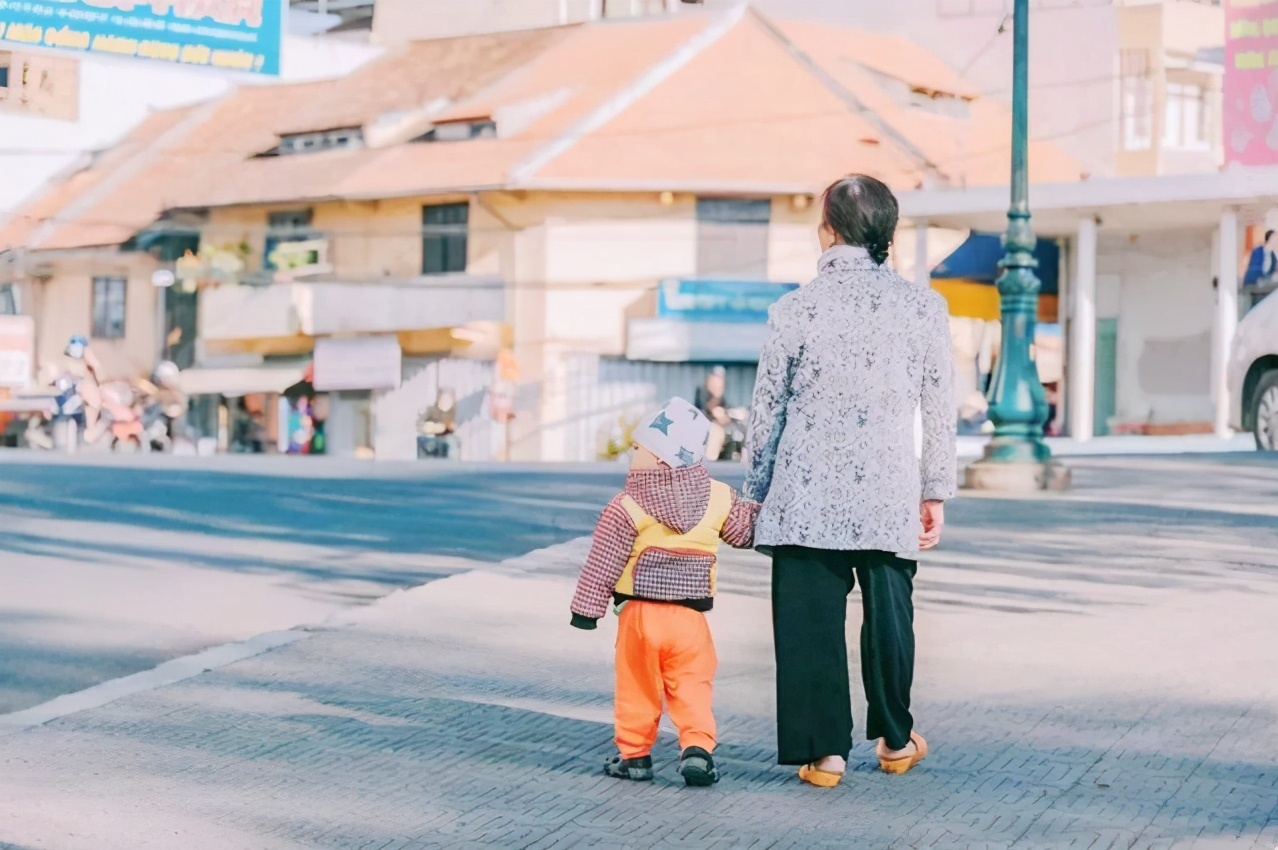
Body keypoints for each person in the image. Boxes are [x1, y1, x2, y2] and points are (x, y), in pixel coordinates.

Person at [743, 174, 957, 787]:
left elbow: (767, 414)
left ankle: (825, 755)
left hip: (804, 493)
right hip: (887, 491)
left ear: (829, 231)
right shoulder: (924, 308)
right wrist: (933, 490)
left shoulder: (793, 309)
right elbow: (938, 409)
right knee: (891, 616)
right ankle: (894, 739)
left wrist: (754, 497)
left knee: (809, 619)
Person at [570, 397, 760, 787]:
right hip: (691, 621)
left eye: (638, 448)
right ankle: (697, 750)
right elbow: (744, 533)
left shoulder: (626, 506)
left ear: (660, 458)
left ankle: (635, 756)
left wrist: (586, 611)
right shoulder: (720, 498)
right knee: (692, 684)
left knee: (637, 685)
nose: (631, 454)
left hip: (640, 619)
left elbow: (603, 562)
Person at [694, 366, 730, 460]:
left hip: (715, 423)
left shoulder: (720, 394)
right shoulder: (702, 390)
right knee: (715, 430)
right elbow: (702, 408)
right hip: (701, 424)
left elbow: (725, 408)